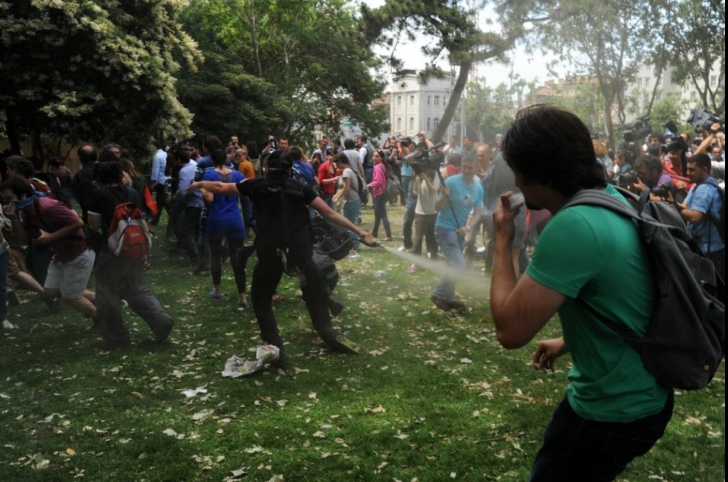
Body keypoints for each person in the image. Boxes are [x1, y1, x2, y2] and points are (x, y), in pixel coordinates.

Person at [490, 105, 672, 481]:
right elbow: (620, 292)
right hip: (647, 393)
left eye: (517, 170)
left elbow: (510, 331)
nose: (517, 180)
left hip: (611, 408)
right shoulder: (609, 197)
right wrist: (567, 340)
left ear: (534, 172)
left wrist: (503, 241)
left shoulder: (574, 224)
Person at [188, 150, 374, 367]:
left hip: (270, 253)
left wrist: (198, 184)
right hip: (300, 252)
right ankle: (328, 334)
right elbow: (330, 213)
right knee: (314, 289)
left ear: (266, 168)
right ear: (289, 169)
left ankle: (277, 352)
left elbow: (220, 187)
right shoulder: (299, 188)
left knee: (260, 299)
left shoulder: (256, 185)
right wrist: (360, 232)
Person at [87, 162, 174, 347]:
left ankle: (116, 338)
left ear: (98, 178)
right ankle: (161, 321)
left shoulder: (97, 195)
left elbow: (94, 224)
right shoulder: (132, 192)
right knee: (136, 288)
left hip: (111, 251)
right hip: (134, 247)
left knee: (107, 295)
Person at [1, 177, 97, 320]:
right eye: (4, 200)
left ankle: (105, 319)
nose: (7, 203)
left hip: (78, 252)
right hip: (61, 254)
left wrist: (51, 237)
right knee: (52, 291)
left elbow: (78, 222)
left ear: (23, 196)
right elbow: (22, 240)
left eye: (9, 198)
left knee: (69, 297)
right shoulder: (26, 211)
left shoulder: (47, 206)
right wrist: (13, 218)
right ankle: (101, 299)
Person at [430, 155, 483, 312]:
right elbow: (437, 207)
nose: (466, 170)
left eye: (470, 167)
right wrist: (445, 195)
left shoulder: (478, 188)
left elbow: (478, 214)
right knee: (458, 265)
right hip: (445, 228)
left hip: (460, 231)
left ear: (477, 168)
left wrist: (467, 228)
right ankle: (438, 294)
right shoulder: (451, 182)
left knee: (452, 266)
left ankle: (448, 299)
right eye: (464, 166)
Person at [202, 150, 251, 308]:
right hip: (234, 219)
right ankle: (242, 297)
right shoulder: (237, 175)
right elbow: (247, 195)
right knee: (237, 258)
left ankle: (217, 291)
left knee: (215, 255)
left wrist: (202, 189)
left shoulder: (209, 176)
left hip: (216, 219)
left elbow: (209, 198)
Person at [680, 153, 725, 280]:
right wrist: (668, 199)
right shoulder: (697, 186)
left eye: (692, 170)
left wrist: (673, 204)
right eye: (687, 169)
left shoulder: (705, 189)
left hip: (711, 249)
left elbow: (694, 217)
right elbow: (683, 207)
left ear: (704, 169)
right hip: (704, 246)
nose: (688, 173)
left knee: (711, 288)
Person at [409, 166, 440, 273]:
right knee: (418, 239)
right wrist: (416, 178)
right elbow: (416, 192)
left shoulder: (436, 174)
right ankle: (414, 263)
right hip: (420, 212)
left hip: (432, 212)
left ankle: (434, 260)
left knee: (432, 238)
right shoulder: (419, 177)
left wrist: (425, 178)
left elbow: (433, 190)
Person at [332, 153, 363, 257]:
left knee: (349, 225)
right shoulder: (351, 169)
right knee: (350, 224)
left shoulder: (346, 171)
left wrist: (337, 197)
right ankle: (354, 245)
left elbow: (346, 188)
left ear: (341, 161)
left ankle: (354, 246)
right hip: (354, 200)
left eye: (336, 162)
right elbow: (343, 188)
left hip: (352, 201)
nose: (335, 164)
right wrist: (337, 195)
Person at [367, 150, 392, 242]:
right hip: (380, 193)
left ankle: (389, 235)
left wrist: (368, 185)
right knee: (377, 215)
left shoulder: (377, 167)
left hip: (379, 193)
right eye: (374, 156)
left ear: (381, 158)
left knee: (383, 215)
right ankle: (375, 232)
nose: (374, 157)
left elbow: (378, 182)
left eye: (377, 156)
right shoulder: (382, 165)